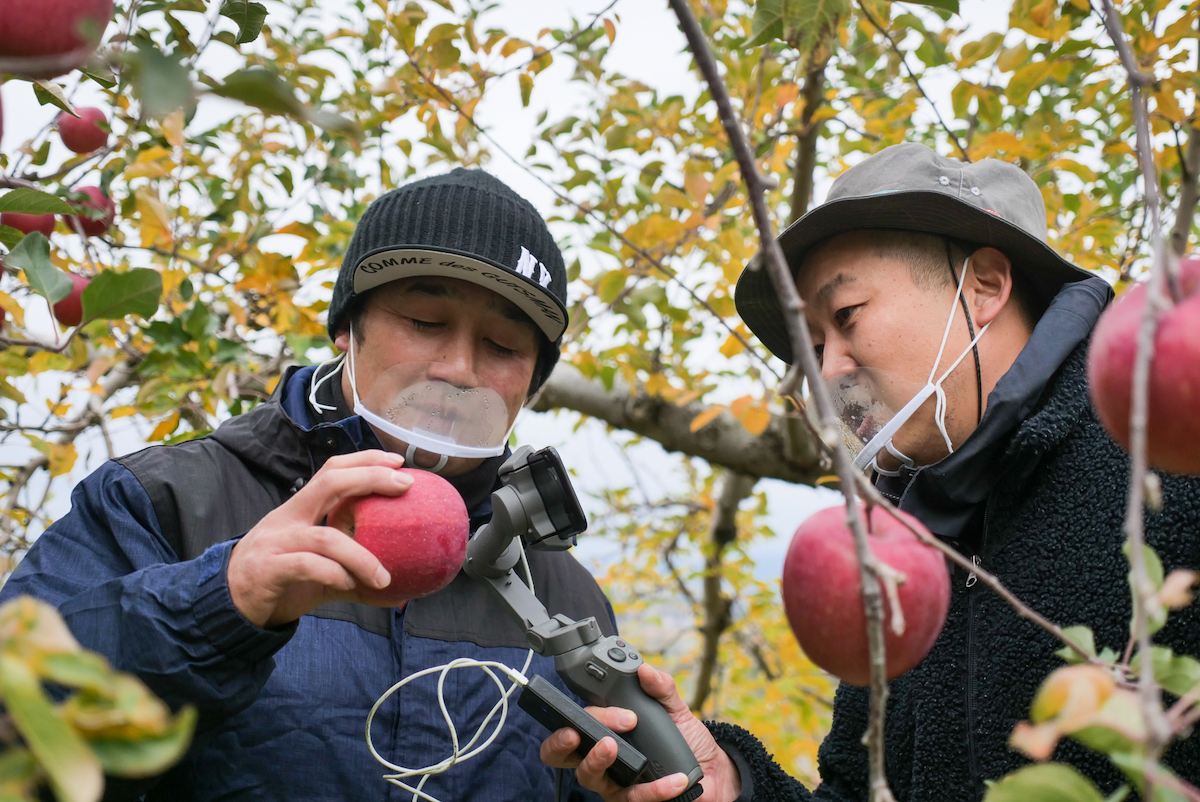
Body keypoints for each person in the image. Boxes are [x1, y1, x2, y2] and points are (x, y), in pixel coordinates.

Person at [540, 142, 1200, 801]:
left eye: (847, 316)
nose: (829, 372)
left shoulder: (1172, 458)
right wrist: (731, 785)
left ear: (985, 287)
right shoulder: (898, 540)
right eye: (817, 344)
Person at [1, 168, 616, 802]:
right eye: (425, 322)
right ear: (347, 328)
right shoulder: (168, 502)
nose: (459, 368)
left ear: (529, 384)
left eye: (501, 345)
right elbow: (14, 728)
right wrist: (218, 600)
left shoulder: (560, 595)